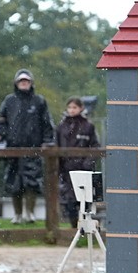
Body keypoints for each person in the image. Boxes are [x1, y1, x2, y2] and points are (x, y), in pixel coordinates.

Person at [0, 68, 55, 224]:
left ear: (31, 83)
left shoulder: (39, 101)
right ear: (16, 83)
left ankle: (30, 213)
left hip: (33, 148)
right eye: (21, 81)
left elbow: (47, 124)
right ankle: (17, 214)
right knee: (14, 184)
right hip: (13, 148)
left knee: (32, 183)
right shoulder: (9, 101)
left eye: (26, 81)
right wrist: (1, 137)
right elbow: (1, 121)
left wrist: (47, 142)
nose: (24, 83)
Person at [56, 96, 100, 228]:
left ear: (81, 108)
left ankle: (86, 228)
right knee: (69, 200)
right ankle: (74, 228)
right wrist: (59, 165)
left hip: (83, 169)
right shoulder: (61, 127)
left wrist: (87, 162)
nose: (71, 110)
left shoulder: (88, 126)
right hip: (66, 170)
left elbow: (95, 147)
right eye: (69, 107)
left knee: (85, 200)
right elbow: (56, 146)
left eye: (74, 107)